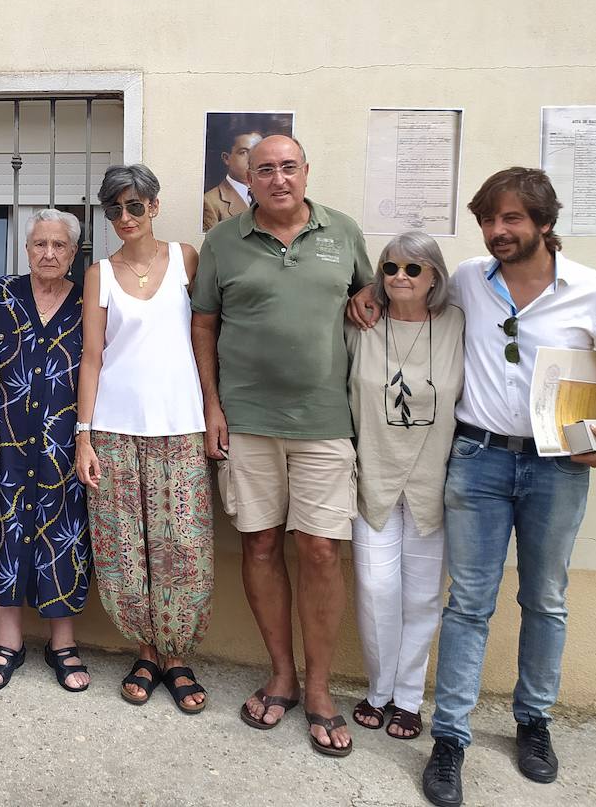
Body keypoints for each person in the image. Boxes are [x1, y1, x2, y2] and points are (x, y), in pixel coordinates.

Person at [372, 169, 596, 807]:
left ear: (545, 224)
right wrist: (369, 293)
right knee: (468, 602)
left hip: (560, 466)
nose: (498, 232)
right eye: (489, 220)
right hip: (476, 460)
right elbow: (408, 285)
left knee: (545, 599)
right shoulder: (469, 277)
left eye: (512, 220)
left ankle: (533, 722)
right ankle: (450, 739)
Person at [191, 133, 371, 756]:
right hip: (246, 423)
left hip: (325, 422)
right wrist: (212, 407)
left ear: (306, 171)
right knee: (261, 544)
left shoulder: (343, 233)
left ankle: (321, 688)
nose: (277, 178)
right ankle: (282, 675)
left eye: (288, 167)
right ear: (247, 175)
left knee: (321, 550)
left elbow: (368, 303)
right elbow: (204, 324)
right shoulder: (222, 242)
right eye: (264, 168)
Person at [75, 164, 213, 714]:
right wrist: (83, 436)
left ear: (154, 206)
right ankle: (147, 651)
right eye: (114, 210)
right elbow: (92, 357)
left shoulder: (186, 259)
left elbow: (205, 337)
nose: (125, 218)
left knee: (184, 545)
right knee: (122, 550)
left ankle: (178, 656)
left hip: (179, 426)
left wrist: (212, 407)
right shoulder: (99, 274)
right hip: (113, 430)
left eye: (135, 206)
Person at [344, 233, 464, 742]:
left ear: (434, 275)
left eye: (414, 269)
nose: (400, 277)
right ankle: (380, 689)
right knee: (376, 589)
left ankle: (409, 698)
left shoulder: (459, 324)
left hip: (432, 482)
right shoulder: (362, 325)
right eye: (390, 267)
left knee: (421, 597)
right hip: (373, 476)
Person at [0, 208, 92, 692]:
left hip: (64, 443)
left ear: (74, 252)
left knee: (65, 533)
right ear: (26, 248)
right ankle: (7, 640)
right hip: (4, 440)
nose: (49, 253)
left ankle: (63, 642)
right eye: (40, 244)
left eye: (59, 245)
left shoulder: (88, 301)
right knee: (5, 533)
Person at [202, 130, 262, 231]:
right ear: (226, 158)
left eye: (258, 152)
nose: (252, 159)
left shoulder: (271, 194)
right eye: (243, 152)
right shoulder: (210, 202)